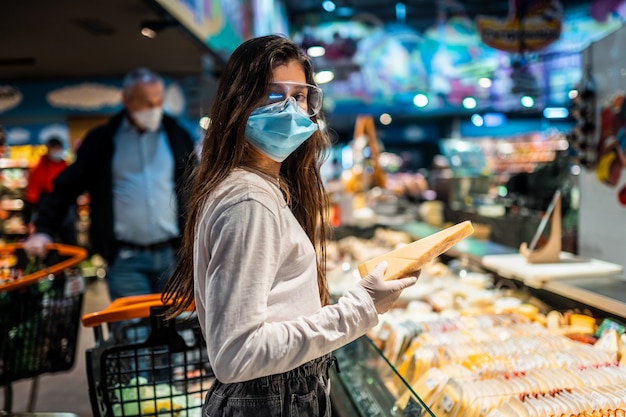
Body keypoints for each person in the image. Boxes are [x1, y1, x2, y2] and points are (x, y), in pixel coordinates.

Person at [161, 35, 419, 417]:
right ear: (238, 103)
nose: (289, 109)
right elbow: (237, 354)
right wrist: (360, 308)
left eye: (298, 96)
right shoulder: (249, 200)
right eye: (271, 95)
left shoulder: (259, 186)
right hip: (268, 401)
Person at [24, 67, 198, 302]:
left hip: (173, 256)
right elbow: (66, 187)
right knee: (134, 333)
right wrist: (43, 229)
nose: (154, 110)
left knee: (179, 332)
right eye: (146, 103)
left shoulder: (177, 135)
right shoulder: (101, 141)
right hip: (124, 259)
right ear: (126, 100)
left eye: (159, 102)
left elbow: (196, 184)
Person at [22, 137, 68, 230]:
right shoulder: (40, 167)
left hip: (65, 210)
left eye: (58, 148)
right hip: (45, 210)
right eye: (54, 148)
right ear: (48, 149)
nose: (56, 151)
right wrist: (27, 219)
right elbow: (32, 195)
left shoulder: (65, 166)